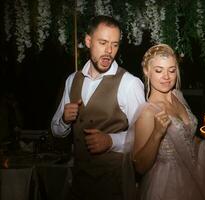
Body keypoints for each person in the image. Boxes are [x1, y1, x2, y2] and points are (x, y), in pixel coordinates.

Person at [124, 44, 205, 200]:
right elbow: (140, 166)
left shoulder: (178, 96)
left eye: (171, 70)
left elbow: (186, 135)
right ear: (146, 71)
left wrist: (203, 144)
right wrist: (157, 134)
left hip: (196, 175)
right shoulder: (147, 112)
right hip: (166, 185)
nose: (167, 77)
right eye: (159, 70)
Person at [51, 15, 145, 200]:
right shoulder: (72, 80)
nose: (109, 51)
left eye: (115, 44)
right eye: (103, 42)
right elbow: (56, 130)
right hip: (77, 185)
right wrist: (64, 120)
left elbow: (144, 137)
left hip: (114, 185)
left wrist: (112, 141)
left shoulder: (129, 83)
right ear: (88, 41)